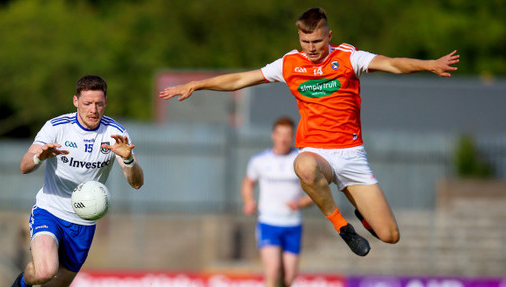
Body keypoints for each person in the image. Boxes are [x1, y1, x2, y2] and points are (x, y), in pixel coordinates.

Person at [160, 7, 460, 257]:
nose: (312, 48)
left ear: (328, 36)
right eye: (306, 41)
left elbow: (392, 64)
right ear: (299, 38)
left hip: (352, 156)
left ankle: (364, 216)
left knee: (390, 235)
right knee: (302, 165)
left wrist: (428, 65)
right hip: (317, 155)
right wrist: (197, 84)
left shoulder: (348, 58)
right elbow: (241, 78)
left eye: (317, 41)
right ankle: (342, 226)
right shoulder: (290, 64)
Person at [0, 75, 144, 287]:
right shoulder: (56, 127)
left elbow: (136, 183)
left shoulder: (116, 132)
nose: (93, 109)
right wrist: (39, 157)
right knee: (45, 270)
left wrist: (129, 160)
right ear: (76, 101)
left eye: (99, 103)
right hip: (50, 210)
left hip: (84, 224)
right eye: (87, 103)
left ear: (106, 102)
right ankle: (21, 284)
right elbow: (24, 165)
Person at [241, 116, 312, 287]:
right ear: (273, 135)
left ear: (293, 136)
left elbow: (315, 192)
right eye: (279, 134)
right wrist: (248, 201)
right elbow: (248, 183)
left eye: (287, 135)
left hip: (293, 225)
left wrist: (300, 202)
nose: (283, 139)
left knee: (288, 278)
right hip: (269, 222)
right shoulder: (260, 161)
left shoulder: (301, 160)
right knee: (273, 271)